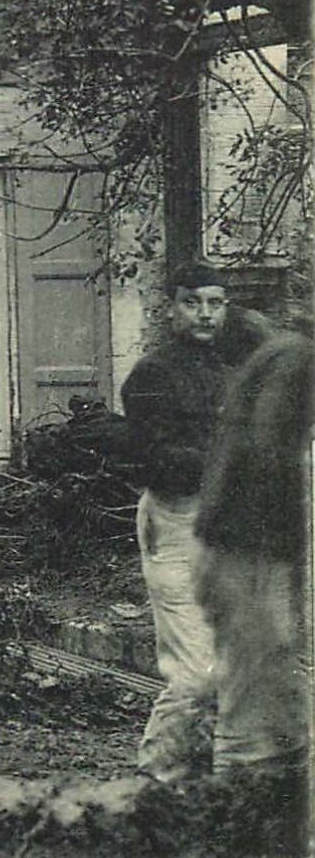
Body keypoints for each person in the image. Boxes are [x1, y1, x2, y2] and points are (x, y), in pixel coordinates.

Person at [120, 266, 270, 782]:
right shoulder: (151, 376)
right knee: (196, 672)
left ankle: (201, 780)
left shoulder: (230, 372)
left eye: (215, 302)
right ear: (171, 308)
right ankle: (154, 782)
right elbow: (157, 462)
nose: (205, 313)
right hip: (177, 523)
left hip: (228, 525)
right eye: (192, 303)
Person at [194, 334, 312, 781]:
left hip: (254, 540)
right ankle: (233, 802)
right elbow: (272, 452)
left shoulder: (288, 353)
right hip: (248, 542)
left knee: (275, 660)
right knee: (253, 666)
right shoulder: (296, 361)